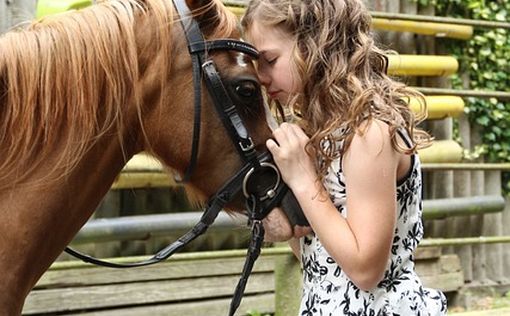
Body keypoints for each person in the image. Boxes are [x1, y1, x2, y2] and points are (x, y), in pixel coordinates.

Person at [241, 0, 448, 315]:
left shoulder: (369, 133)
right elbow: (322, 259)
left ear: (318, 44)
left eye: (270, 60)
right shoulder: (318, 134)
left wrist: (302, 179)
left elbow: (365, 270)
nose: (261, 77)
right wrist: (289, 227)